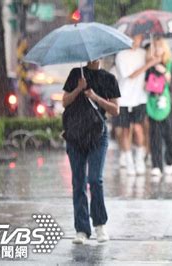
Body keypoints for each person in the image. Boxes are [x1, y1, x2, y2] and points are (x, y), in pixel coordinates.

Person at [62, 59, 120, 244]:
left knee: (95, 179)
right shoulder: (75, 74)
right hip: (75, 134)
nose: (93, 58)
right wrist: (78, 89)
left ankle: (100, 225)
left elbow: (115, 110)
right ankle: (81, 229)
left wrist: (95, 97)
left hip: (97, 134)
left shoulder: (109, 78)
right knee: (78, 182)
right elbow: (64, 102)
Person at [114, 33, 158, 175]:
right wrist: (148, 64)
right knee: (125, 131)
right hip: (124, 99)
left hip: (140, 98)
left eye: (138, 38)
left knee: (139, 129)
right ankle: (128, 160)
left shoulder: (143, 53)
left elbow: (152, 66)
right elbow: (131, 75)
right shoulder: (121, 55)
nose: (136, 41)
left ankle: (139, 158)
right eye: (133, 38)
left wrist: (152, 59)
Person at [145, 36, 172, 176]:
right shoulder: (149, 66)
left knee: (170, 136)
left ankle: (170, 160)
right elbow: (145, 83)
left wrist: (165, 73)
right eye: (155, 46)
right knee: (155, 136)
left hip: (169, 104)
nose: (157, 49)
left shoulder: (171, 64)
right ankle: (156, 165)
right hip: (154, 104)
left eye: (159, 46)